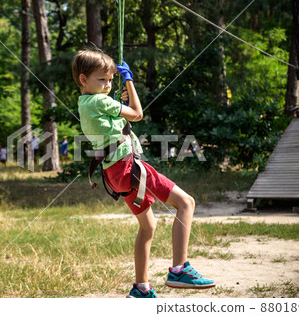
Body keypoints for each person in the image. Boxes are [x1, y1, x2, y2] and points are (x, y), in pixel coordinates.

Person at [72, 49, 215, 298]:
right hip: (129, 167)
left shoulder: (85, 102)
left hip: (114, 172)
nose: (107, 85)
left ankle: (141, 288)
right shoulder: (101, 101)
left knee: (148, 226)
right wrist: (129, 81)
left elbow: (116, 117)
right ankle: (179, 270)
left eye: (110, 80)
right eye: (101, 79)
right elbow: (137, 114)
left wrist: (119, 98)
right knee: (186, 203)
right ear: (83, 79)